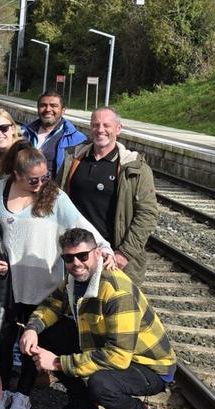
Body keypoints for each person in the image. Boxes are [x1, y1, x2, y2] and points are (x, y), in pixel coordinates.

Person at [0, 143, 114, 409]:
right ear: (16, 174)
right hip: (7, 282)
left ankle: (23, 394)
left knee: (33, 338)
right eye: (33, 180)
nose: (40, 184)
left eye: (44, 177)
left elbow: (80, 224)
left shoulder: (55, 196)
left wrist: (104, 247)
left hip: (43, 283)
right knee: (1, 338)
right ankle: (2, 388)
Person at [21, 228, 176, 409]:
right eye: (68, 258)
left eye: (82, 256)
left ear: (97, 253)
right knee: (48, 335)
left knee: (101, 383)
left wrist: (57, 363)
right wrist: (33, 329)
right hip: (106, 347)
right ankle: (84, 408)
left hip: (148, 365)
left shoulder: (116, 291)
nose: (76, 263)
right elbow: (53, 305)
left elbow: (118, 357)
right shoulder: (74, 280)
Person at [58, 107, 159, 285]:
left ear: (118, 129)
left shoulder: (135, 168)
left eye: (107, 125)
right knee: (74, 308)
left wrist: (124, 253)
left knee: (113, 309)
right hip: (76, 256)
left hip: (112, 257)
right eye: (96, 125)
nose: (100, 130)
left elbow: (147, 214)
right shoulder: (73, 159)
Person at [22, 91, 87, 175]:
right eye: (43, 105)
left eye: (53, 106)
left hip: (53, 186)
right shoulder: (24, 133)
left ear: (63, 110)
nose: (48, 109)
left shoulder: (77, 139)